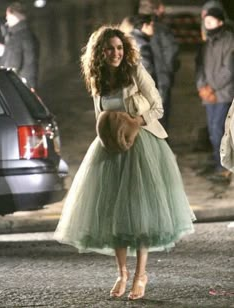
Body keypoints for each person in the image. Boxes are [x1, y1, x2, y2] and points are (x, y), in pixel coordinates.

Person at [54, 26, 195, 300]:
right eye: (110, 49)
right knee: (114, 213)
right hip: (110, 149)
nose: (116, 53)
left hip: (141, 145)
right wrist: (108, 136)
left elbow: (157, 106)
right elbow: (100, 117)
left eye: (119, 48)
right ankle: (122, 273)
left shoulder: (135, 71)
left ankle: (141, 275)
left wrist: (134, 122)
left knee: (140, 211)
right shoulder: (98, 80)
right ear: (100, 53)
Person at [196, 7, 234, 183]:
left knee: (219, 129)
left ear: (220, 22)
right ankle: (218, 162)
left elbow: (228, 69)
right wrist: (202, 86)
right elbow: (200, 67)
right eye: (206, 22)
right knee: (212, 130)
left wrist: (212, 88)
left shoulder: (229, 41)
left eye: (211, 22)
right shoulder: (206, 42)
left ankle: (225, 166)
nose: (207, 25)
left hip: (223, 94)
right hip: (208, 95)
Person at [138, 0, 180, 130]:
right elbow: (172, 54)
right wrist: (168, 72)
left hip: (143, 83)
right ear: (155, 10)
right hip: (160, 81)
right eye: (160, 7)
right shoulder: (161, 29)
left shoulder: (137, 29)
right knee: (160, 119)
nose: (163, 10)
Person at [0, 2, 39, 88]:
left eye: (8, 15)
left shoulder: (16, 38)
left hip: (18, 88)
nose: (6, 18)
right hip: (29, 85)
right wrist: (6, 50)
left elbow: (11, 67)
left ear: (14, 17)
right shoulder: (29, 35)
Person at [130, 14, 157, 84]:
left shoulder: (129, 38)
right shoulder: (143, 46)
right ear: (145, 26)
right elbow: (147, 72)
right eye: (152, 25)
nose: (154, 28)